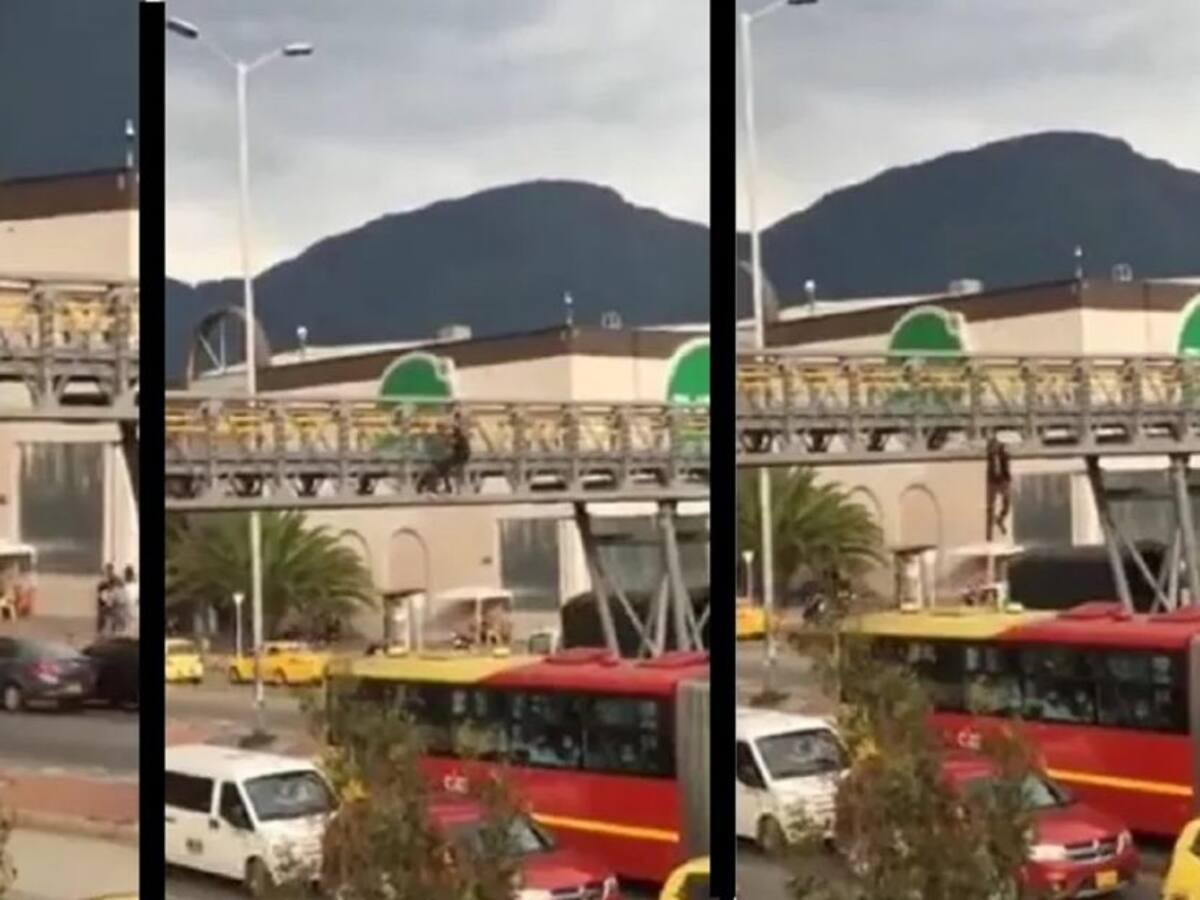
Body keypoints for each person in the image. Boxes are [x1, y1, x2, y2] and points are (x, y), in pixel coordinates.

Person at [985, 435, 1012, 536]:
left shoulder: (1003, 455)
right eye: (993, 446)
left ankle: (1000, 519)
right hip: (992, 481)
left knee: (1007, 505)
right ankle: (990, 527)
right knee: (990, 505)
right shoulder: (990, 456)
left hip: (1003, 481)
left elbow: (1007, 461)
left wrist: (1008, 480)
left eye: (996, 446)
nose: (994, 448)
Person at [123, 565, 139, 635]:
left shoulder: (136, 586)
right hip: (127, 610)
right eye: (126, 574)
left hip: (134, 609)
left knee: (133, 624)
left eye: (129, 574)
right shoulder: (123, 586)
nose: (127, 576)